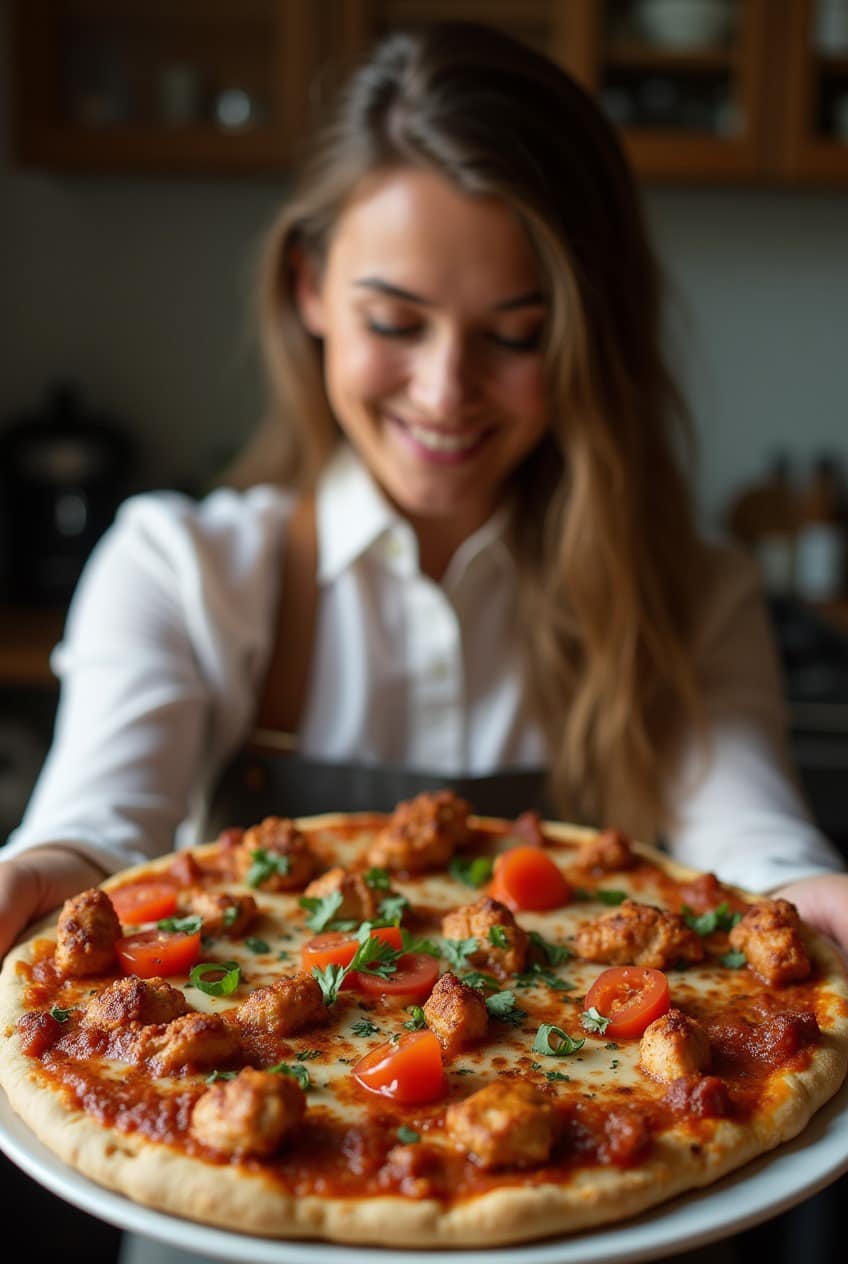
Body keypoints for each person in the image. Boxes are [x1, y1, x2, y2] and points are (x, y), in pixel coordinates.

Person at [0, 19, 846, 1264]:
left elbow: (750, 846)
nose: (446, 390)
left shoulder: (684, 588)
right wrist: (39, 876)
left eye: (512, 335)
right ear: (307, 291)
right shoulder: (183, 566)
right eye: (395, 320)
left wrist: (816, 902)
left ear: (581, 328)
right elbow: (98, 835)